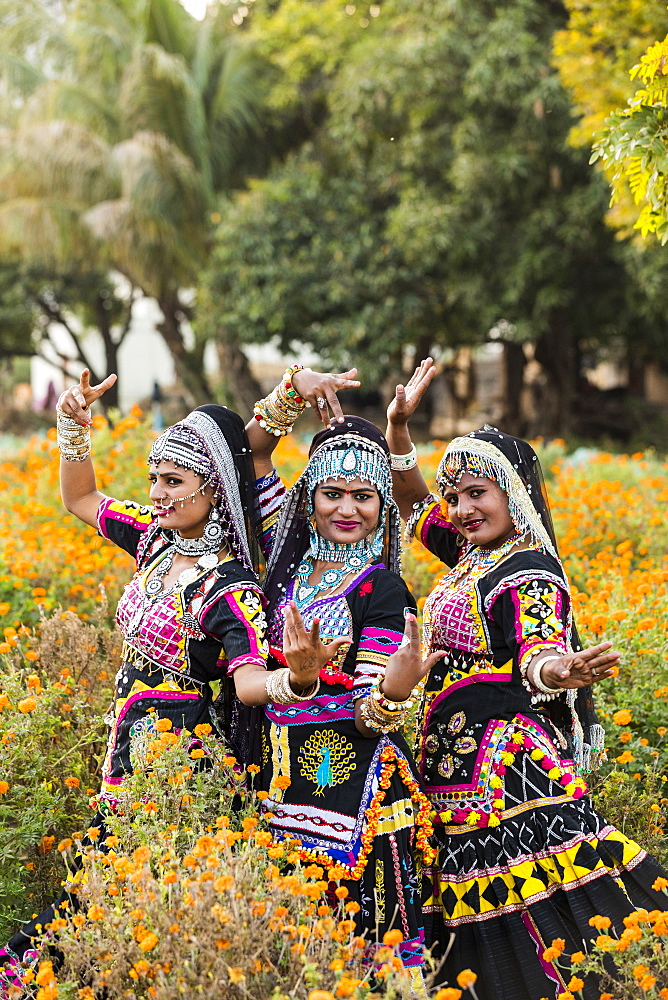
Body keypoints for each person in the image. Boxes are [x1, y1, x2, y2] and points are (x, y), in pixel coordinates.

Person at [385, 359, 668, 999]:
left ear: (512, 493)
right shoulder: (471, 556)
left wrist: (557, 668)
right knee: (484, 898)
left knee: (539, 899)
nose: (459, 508)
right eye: (454, 496)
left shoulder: (529, 570)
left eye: (476, 493)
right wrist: (401, 432)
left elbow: (537, 648)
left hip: (505, 764)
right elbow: (412, 503)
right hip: (454, 755)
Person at [0, 370, 276, 991]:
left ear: (214, 487)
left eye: (172, 482)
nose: (155, 494)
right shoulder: (153, 541)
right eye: (153, 479)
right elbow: (80, 500)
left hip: (183, 761)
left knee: (143, 881)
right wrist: (74, 430)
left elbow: (252, 682)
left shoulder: (233, 588)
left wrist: (300, 681)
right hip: (127, 743)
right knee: (106, 881)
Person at [246, 377, 443, 995]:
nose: (346, 510)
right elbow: (252, 456)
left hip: (353, 797)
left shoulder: (381, 589)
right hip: (276, 781)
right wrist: (291, 393)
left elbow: (366, 711)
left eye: (363, 496)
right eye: (331, 494)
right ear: (308, 503)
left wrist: (390, 694)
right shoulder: (284, 560)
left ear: (384, 505)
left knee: (364, 957)